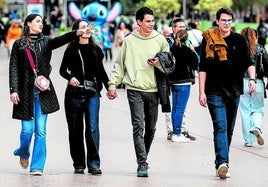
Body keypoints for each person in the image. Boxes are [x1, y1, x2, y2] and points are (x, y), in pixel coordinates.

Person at [9, 14, 88, 176]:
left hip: (43, 92)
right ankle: (23, 152)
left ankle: (37, 166)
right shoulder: (19, 45)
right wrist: (13, 90)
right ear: (28, 24)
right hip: (24, 93)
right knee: (26, 130)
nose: (41, 24)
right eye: (37, 21)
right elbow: (14, 69)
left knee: (41, 131)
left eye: (41, 22)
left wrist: (78, 33)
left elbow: (61, 39)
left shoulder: (46, 41)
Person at [107, 6, 169, 177]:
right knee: (138, 126)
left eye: (152, 20)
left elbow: (170, 65)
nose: (151, 24)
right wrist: (113, 85)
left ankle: (143, 156)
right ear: (139, 22)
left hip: (154, 90)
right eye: (148, 21)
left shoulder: (160, 39)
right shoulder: (129, 40)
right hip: (134, 89)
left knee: (151, 128)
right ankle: (142, 162)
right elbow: (120, 64)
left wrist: (158, 63)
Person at [198, 8, 256, 179]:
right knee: (220, 127)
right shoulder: (208, 39)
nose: (226, 23)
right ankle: (222, 163)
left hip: (234, 91)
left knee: (229, 130)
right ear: (217, 21)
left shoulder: (240, 40)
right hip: (214, 91)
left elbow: (249, 61)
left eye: (229, 20)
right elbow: (203, 67)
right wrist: (201, 92)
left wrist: (252, 79)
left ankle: (223, 162)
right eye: (223, 20)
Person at [59, 19, 109, 175]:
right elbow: (62, 70)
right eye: (83, 27)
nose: (87, 29)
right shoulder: (71, 49)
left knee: (92, 128)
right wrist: (70, 78)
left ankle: (94, 164)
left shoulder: (96, 49)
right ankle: (79, 163)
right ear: (77, 31)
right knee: (75, 130)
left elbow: (101, 71)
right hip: (73, 94)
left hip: (92, 94)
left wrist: (110, 88)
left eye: (88, 26)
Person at [165, 18, 197, 141]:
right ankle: (176, 133)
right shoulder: (171, 44)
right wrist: (193, 52)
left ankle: (178, 131)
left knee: (176, 108)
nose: (182, 28)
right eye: (180, 26)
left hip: (173, 81)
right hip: (183, 81)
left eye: (184, 27)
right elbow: (195, 63)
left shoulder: (175, 47)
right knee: (179, 109)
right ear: (173, 28)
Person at [239, 27, 268, 147]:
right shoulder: (260, 49)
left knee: (245, 111)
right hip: (258, 81)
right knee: (258, 109)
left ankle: (248, 140)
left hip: (242, 82)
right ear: (255, 37)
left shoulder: (239, 49)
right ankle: (256, 126)